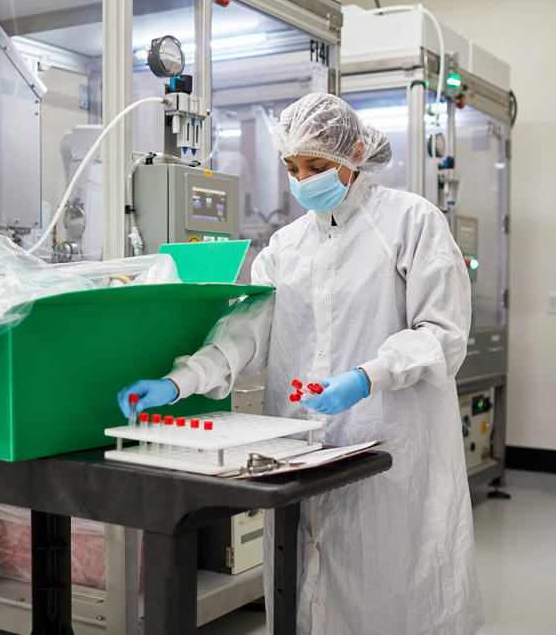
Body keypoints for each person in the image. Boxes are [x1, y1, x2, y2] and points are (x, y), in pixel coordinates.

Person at [117, 93, 484, 634]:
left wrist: (367, 377)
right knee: (302, 583)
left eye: (316, 165)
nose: (304, 178)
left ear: (355, 152)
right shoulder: (285, 246)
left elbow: (443, 335)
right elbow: (244, 336)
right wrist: (177, 383)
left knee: (392, 593)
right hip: (300, 454)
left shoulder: (410, 222)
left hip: (390, 445)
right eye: (293, 167)